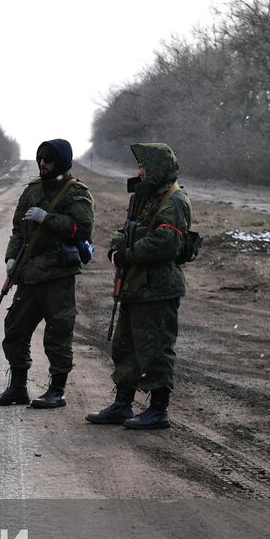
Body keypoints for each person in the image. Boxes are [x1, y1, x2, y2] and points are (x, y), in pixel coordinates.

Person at [86, 142, 192, 430]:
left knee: (156, 350)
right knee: (126, 348)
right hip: (136, 287)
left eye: (144, 166)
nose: (140, 171)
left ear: (157, 168)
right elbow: (127, 229)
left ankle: (158, 411)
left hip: (158, 289)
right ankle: (122, 405)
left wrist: (128, 255)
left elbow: (166, 242)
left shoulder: (174, 200)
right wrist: (115, 250)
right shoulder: (145, 198)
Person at [0, 139, 95, 409]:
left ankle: (57, 391)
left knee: (58, 334)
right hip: (29, 274)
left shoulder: (75, 193)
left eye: (48, 159)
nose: (43, 164)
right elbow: (18, 231)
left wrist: (47, 218)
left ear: (61, 161)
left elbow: (82, 228)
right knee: (15, 329)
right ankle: (18, 388)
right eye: (40, 159)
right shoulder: (32, 191)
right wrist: (11, 257)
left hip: (57, 275)